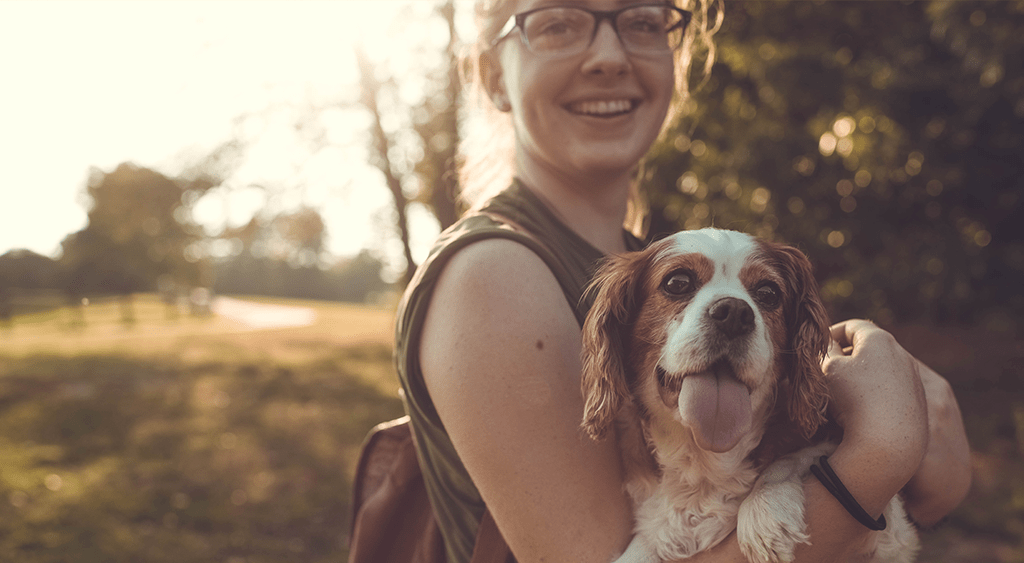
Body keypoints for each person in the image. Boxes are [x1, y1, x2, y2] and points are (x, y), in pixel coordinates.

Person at [394, 1, 972, 562]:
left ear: (677, 60)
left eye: (642, 20)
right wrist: (881, 455)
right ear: (493, 73)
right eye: (558, 22)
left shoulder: (644, 258)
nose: (608, 56)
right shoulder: (493, 274)